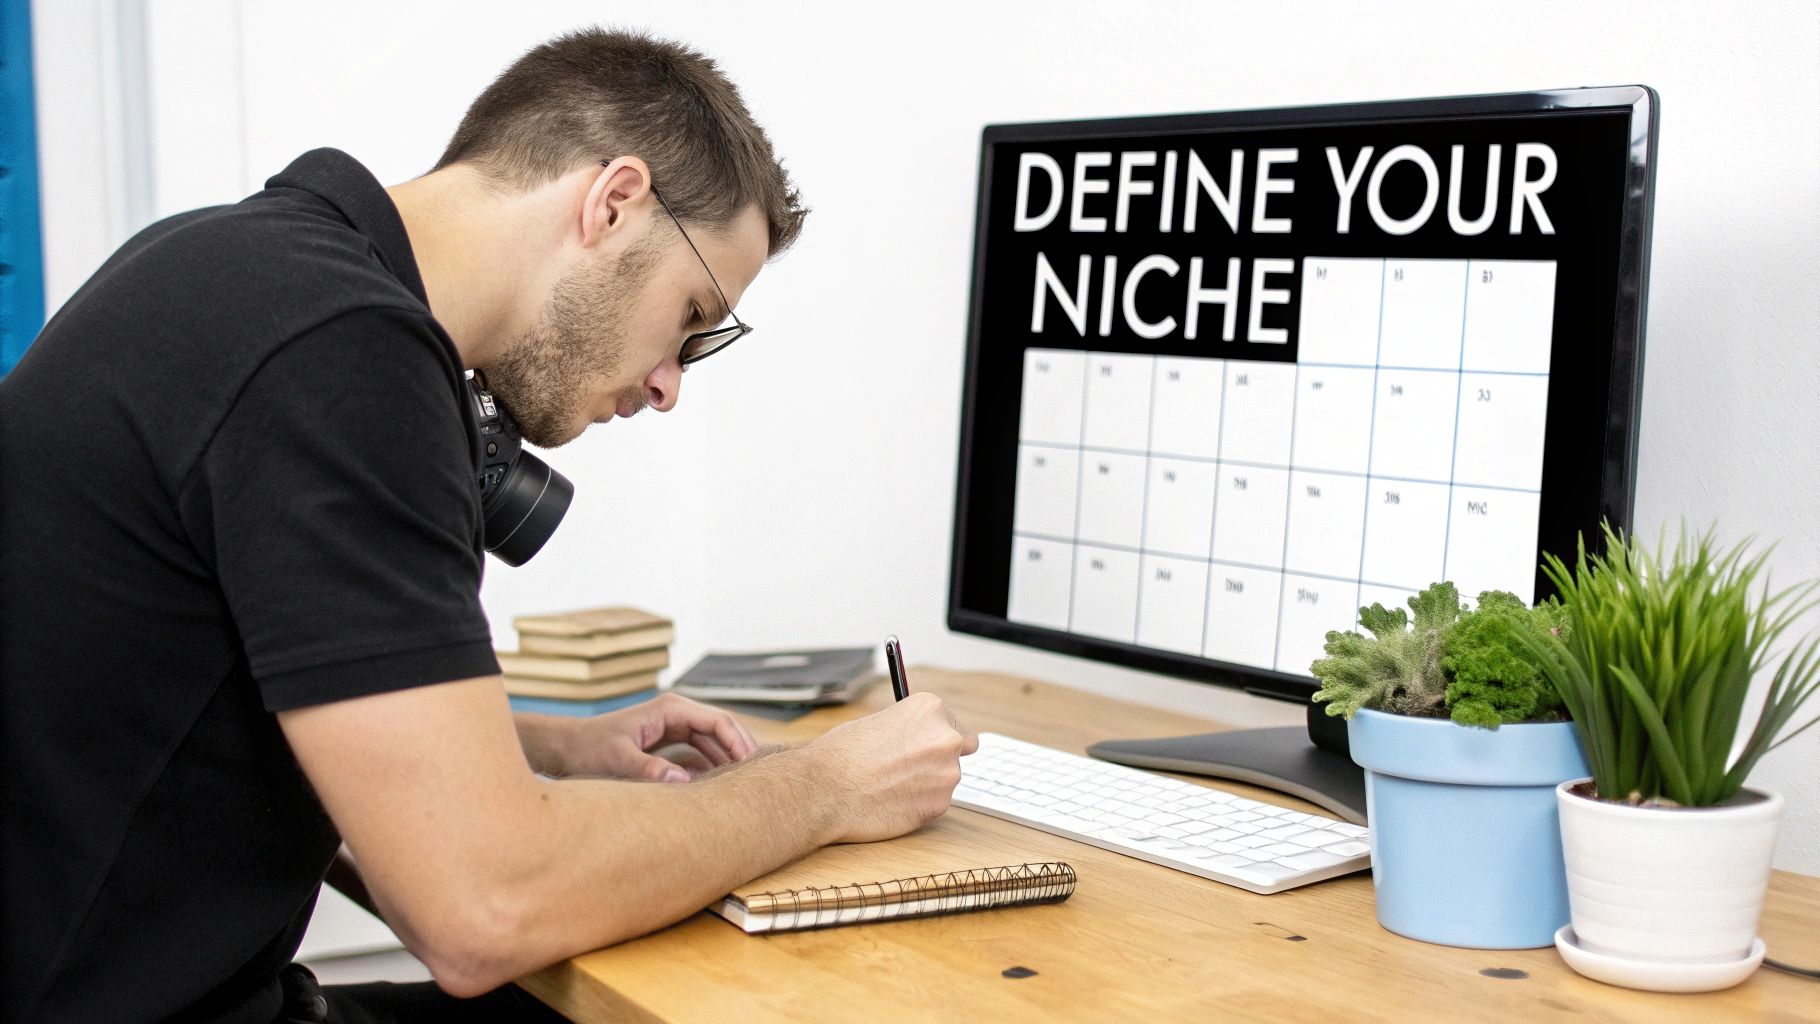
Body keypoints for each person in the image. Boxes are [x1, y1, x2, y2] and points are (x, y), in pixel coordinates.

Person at [0, 26, 977, 1023]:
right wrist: (824, 787)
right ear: (612, 201)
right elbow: (483, 909)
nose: (666, 384)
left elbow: (216, 721)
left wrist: (539, 750)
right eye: (690, 316)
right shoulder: (340, 352)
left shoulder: (235, 263)